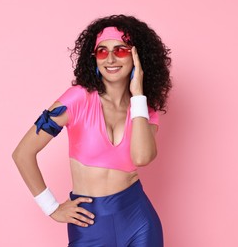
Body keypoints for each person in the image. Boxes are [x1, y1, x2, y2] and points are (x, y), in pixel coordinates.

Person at [12, 14, 172, 247]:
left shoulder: (144, 109)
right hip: (89, 222)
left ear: (137, 56)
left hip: (139, 219)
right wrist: (51, 207)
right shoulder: (77, 99)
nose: (110, 59)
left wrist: (138, 95)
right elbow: (23, 153)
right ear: (94, 58)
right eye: (102, 51)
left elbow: (142, 157)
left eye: (120, 50)